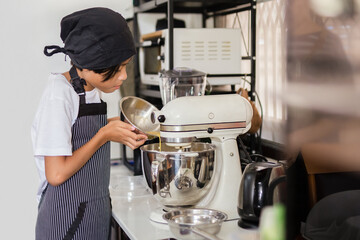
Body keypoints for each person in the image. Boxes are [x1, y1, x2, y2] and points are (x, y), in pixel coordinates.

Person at [31, 7, 147, 240]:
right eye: (117, 68)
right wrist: (104, 134)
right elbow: (56, 174)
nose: (123, 76)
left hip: (94, 211)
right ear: (88, 63)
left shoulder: (90, 90)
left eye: (126, 66)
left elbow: (81, 133)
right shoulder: (59, 94)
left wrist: (119, 126)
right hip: (65, 220)